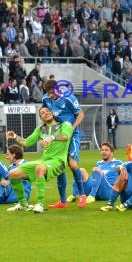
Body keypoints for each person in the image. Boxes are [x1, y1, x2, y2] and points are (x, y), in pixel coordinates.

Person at [6, 106, 74, 213]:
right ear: (41, 118)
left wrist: (52, 137)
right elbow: (26, 142)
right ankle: (23, 204)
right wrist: (14, 136)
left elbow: (66, 136)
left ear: (52, 113)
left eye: (47, 111)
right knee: (13, 173)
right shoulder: (40, 129)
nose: (46, 113)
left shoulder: (64, 125)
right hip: (44, 161)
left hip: (58, 161)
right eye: (42, 113)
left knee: (39, 168)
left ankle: (40, 204)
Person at [42, 79, 87, 209]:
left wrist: (72, 128)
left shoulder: (68, 98)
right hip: (57, 134)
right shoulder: (46, 99)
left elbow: (80, 114)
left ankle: (82, 195)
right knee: (60, 165)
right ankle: (62, 201)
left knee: (72, 165)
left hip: (70, 134)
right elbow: (46, 113)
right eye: (48, 93)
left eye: (52, 92)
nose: (51, 95)